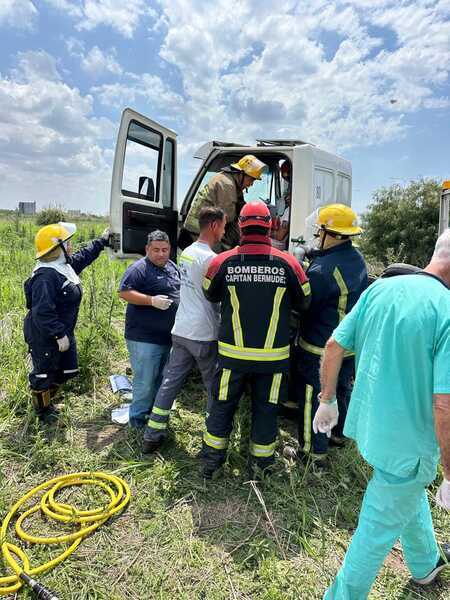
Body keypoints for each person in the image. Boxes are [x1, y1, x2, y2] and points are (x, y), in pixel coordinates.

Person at [316, 228, 450, 599]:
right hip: (410, 445)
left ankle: (425, 564)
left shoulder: (380, 288)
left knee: (403, 493)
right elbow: (445, 404)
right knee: (376, 528)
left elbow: (333, 345)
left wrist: (327, 400)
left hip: (373, 430)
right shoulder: (447, 310)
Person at [201, 202, 311, 479]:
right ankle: (260, 469)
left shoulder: (221, 261)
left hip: (231, 357)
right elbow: (306, 301)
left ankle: (212, 464)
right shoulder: (289, 263)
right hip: (273, 360)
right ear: (270, 225)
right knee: (266, 410)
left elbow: (209, 293)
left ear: (240, 225)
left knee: (222, 406)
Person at [142, 207, 226, 453]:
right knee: (213, 386)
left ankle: (151, 435)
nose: (224, 230)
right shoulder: (210, 259)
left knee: (170, 383)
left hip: (181, 329)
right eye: (223, 225)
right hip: (203, 333)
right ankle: (212, 439)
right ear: (213, 226)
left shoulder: (187, 252)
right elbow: (216, 296)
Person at [292, 204, 367, 469]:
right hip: (349, 345)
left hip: (319, 346)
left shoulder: (321, 271)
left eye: (320, 231)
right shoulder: (356, 258)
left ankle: (312, 454)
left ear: (331, 234)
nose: (317, 236)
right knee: (341, 390)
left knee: (315, 397)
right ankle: (337, 434)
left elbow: (304, 303)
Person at [24, 222, 110, 423]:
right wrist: (58, 334)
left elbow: (83, 256)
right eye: (68, 244)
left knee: (65, 369)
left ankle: (49, 401)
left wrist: (101, 242)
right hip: (45, 334)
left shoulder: (63, 266)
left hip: (61, 331)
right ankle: (42, 413)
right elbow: (41, 312)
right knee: (43, 373)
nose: (71, 247)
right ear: (57, 248)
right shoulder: (45, 276)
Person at [119, 230, 180, 430]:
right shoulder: (139, 268)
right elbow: (124, 292)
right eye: (156, 250)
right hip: (144, 338)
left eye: (165, 250)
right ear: (147, 249)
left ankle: (155, 418)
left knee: (162, 380)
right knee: (145, 382)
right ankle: (137, 421)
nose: (161, 254)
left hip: (167, 337)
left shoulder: (172, 267)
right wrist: (151, 301)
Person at [182, 155, 267, 252]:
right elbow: (228, 217)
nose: (251, 184)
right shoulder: (227, 184)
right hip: (199, 230)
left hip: (205, 226)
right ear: (241, 174)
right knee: (220, 259)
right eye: (251, 179)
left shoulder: (228, 180)